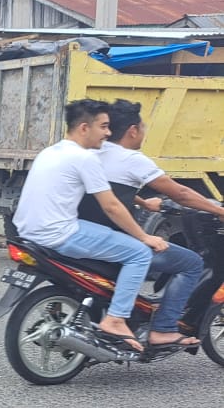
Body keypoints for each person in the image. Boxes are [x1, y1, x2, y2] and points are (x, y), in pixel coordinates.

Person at [13, 99, 169, 353]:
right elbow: (112, 206)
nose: (109, 133)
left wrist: (141, 201)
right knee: (139, 253)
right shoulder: (84, 158)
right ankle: (116, 318)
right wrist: (144, 237)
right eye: (104, 127)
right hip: (60, 234)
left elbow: (102, 189)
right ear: (84, 128)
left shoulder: (51, 151)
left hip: (28, 232)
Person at [77, 100, 217, 347]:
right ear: (133, 130)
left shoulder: (90, 152)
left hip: (80, 234)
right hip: (112, 240)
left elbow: (105, 189)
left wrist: (142, 201)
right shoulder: (133, 159)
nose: (143, 133)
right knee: (191, 263)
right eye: (143, 128)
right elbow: (181, 193)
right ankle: (163, 329)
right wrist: (218, 210)